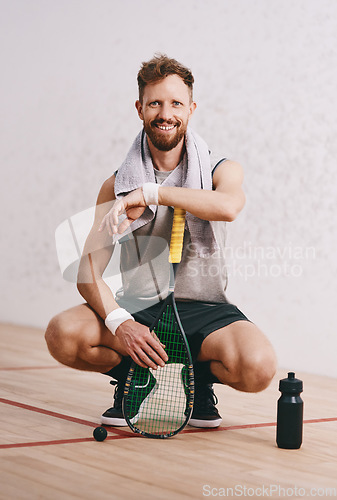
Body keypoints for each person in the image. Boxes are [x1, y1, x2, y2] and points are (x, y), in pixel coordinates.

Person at [45, 54, 277, 429]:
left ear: (191, 109)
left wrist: (152, 194)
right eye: (155, 103)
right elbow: (88, 272)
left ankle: (198, 381)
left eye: (175, 103)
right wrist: (121, 322)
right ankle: (131, 375)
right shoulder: (117, 185)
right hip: (141, 309)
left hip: (206, 310)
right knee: (63, 333)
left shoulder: (221, 170)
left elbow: (228, 206)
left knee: (258, 367)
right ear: (140, 109)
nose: (165, 113)